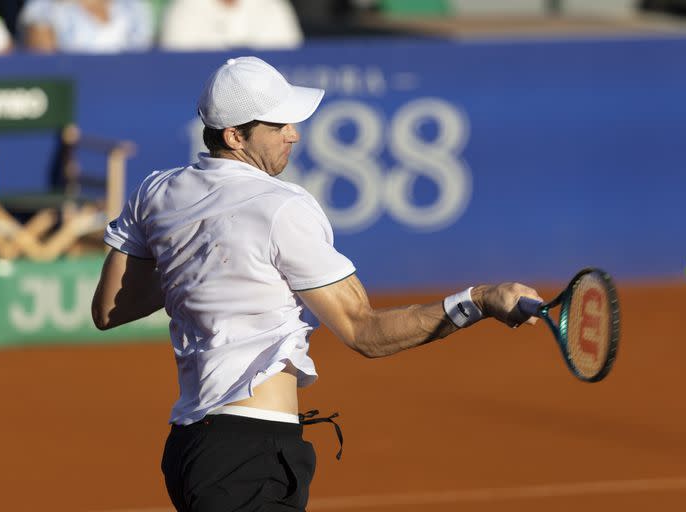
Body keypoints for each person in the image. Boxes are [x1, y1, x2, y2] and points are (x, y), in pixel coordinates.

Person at [91, 56, 542, 512]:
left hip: (191, 450)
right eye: (279, 124)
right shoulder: (283, 206)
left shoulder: (155, 192)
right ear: (235, 136)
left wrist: (196, 267)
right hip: (251, 453)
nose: (294, 133)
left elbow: (110, 310)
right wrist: (478, 301)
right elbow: (364, 332)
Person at [159, 0, 303, 51]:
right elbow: (175, 67)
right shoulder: (184, 7)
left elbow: (293, 57)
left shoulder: (273, 6)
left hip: (265, 96)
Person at [18, 0, 154, 54]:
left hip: (127, 93)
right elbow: (43, 64)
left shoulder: (133, 6)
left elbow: (143, 61)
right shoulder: (44, 7)